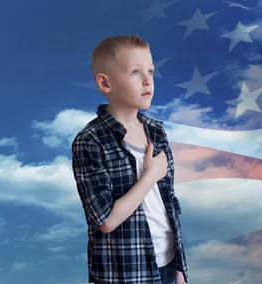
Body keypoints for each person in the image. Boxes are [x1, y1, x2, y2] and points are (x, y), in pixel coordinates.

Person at [71, 35, 188, 284]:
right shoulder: (90, 141)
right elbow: (105, 220)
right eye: (135, 72)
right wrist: (150, 176)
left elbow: (169, 203)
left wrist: (178, 268)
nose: (148, 80)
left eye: (150, 71)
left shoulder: (156, 132)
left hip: (167, 264)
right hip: (125, 273)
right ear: (105, 83)